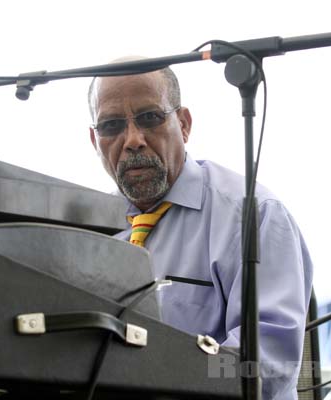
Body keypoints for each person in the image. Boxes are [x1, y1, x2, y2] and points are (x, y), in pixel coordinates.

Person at [88, 65, 313, 400]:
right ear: (95, 140)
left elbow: (266, 365)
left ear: (184, 124)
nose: (133, 140)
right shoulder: (87, 226)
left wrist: (163, 377)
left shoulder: (253, 215)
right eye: (112, 125)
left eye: (150, 118)